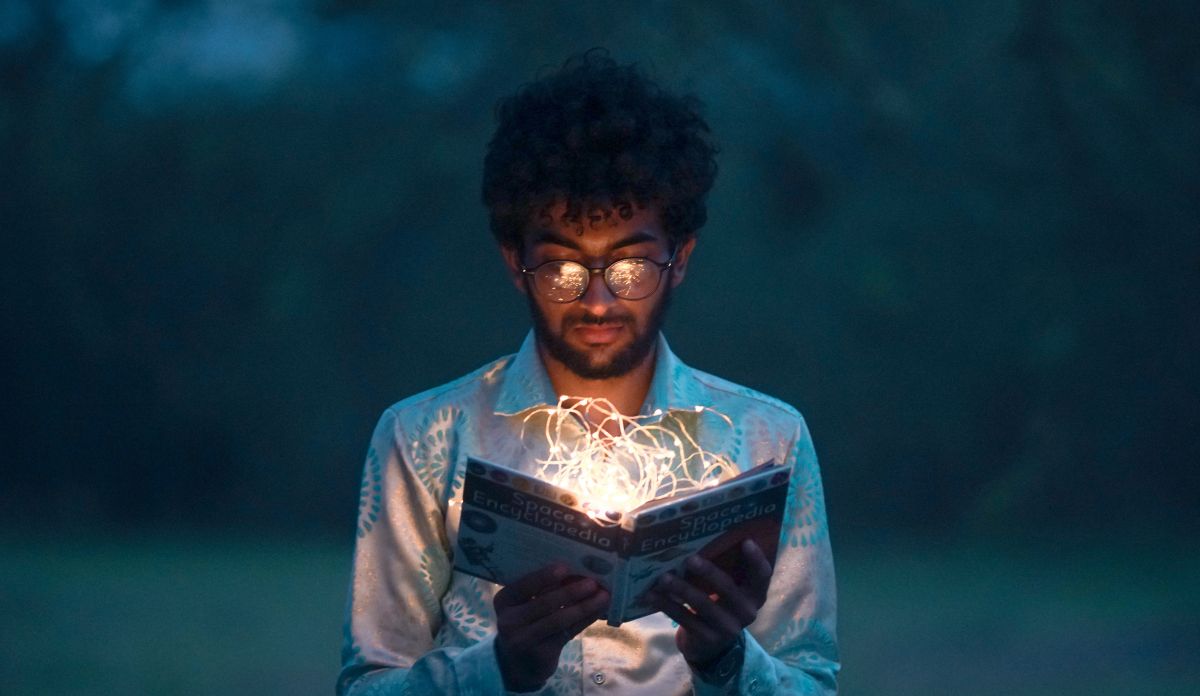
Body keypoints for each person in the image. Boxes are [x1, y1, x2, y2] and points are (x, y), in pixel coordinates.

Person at [338, 50, 838, 695]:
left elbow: (813, 682)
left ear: (679, 258)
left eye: (629, 267)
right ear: (514, 261)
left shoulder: (767, 441)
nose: (598, 300)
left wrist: (724, 659)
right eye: (563, 268)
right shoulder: (427, 436)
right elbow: (367, 685)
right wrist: (500, 668)